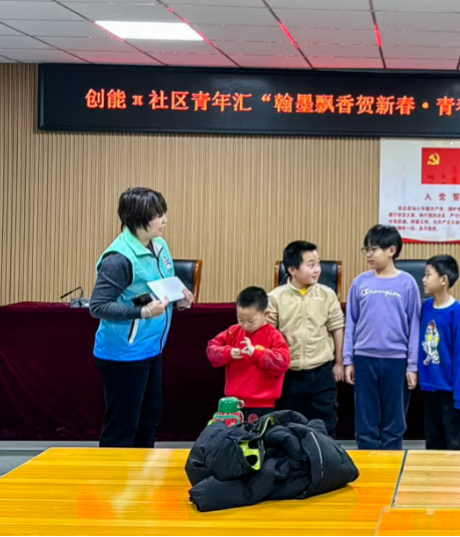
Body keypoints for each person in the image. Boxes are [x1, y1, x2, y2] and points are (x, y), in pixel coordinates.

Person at [89, 187, 195, 448]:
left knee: (149, 419)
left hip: (151, 348)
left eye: (163, 213)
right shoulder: (118, 259)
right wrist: (143, 312)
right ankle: (114, 474)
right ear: (138, 218)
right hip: (123, 355)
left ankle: (141, 473)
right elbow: (98, 306)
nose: (165, 220)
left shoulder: (159, 245)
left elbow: (159, 287)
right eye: (158, 215)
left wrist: (180, 300)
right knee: (122, 427)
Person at [344, 225, 421, 450]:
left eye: (374, 249)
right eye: (366, 249)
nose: (369, 254)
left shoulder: (407, 283)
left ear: (391, 251)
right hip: (364, 358)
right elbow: (351, 322)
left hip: (396, 360)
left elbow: (414, 326)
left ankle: (392, 461)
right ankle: (366, 461)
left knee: (394, 420)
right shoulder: (360, 282)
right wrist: (348, 360)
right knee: (365, 418)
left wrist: (412, 365)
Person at [267, 241, 345, 438]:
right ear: (292, 269)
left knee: (325, 426)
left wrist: (339, 363)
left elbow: (337, 328)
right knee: (288, 427)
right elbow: (269, 333)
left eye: (318, 263)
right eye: (311, 265)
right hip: (288, 374)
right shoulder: (275, 298)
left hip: (321, 372)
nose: (317, 269)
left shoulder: (327, 294)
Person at [206, 287, 291, 424]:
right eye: (240, 319)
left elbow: (283, 362)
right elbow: (211, 349)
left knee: (258, 435)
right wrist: (228, 352)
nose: (245, 325)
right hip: (233, 403)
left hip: (262, 405)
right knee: (232, 435)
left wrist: (257, 353)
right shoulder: (233, 332)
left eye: (251, 320)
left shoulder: (273, 336)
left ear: (266, 314)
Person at [419, 255, 460, 451]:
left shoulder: (457, 313)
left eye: (428, 275)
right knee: (434, 444)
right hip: (430, 389)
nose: (423, 279)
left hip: (452, 392)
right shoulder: (425, 307)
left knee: (457, 446)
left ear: (443, 279)